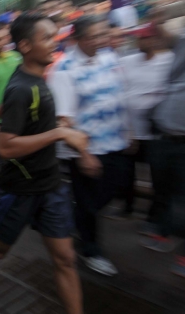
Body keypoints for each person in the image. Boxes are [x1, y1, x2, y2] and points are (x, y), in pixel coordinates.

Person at [0, 14, 96, 314]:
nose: (54, 42)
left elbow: (7, 110)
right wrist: (58, 132)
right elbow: (5, 147)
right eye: (47, 38)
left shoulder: (34, 79)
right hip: (21, 189)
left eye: (55, 36)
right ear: (26, 46)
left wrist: (52, 122)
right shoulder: (22, 88)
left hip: (51, 185)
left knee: (65, 258)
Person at [48, 15, 131, 277]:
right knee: (89, 203)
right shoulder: (64, 69)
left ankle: (74, 218)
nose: (99, 40)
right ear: (76, 39)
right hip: (87, 149)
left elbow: (119, 95)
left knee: (117, 188)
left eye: (102, 35)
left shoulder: (109, 57)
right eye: (92, 36)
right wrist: (83, 154)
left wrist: (129, 132)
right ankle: (91, 250)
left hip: (116, 142)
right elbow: (64, 119)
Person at [144, 0, 185, 280]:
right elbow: (162, 34)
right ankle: (163, 232)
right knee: (164, 190)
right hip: (167, 136)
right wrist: (157, 17)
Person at [105, 25, 173, 221]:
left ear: (157, 40)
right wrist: (129, 131)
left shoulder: (168, 61)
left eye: (149, 38)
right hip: (130, 129)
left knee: (157, 176)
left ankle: (155, 216)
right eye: (142, 39)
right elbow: (120, 91)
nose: (146, 42)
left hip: (156, 132)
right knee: (125, 174)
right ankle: (126, 207)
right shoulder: (127, 61)